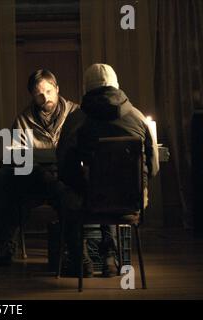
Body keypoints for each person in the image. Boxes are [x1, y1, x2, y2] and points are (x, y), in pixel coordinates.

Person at [57, 63, 159, 277]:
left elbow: (64, 166)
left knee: (71, 194)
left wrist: (84, 185)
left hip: (92, 199)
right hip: (131, 201)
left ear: (86, 88)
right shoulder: (138, 117)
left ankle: (79, 260)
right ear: (116, 85)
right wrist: (137, 186)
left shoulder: (77, 119)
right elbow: (154, 166)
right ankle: (110, 259)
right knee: (111, 192)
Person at [0, 69, 80, 267]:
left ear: (57, 89)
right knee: (4, 176)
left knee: (71, 187)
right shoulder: (23, 120)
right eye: (39, 94)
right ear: (33, 96)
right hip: (37, 179)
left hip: (67, 178)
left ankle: (77, 250)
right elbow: (17, 156)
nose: (45, 98)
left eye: (49, 91)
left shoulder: (75, 114)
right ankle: (5, 244)